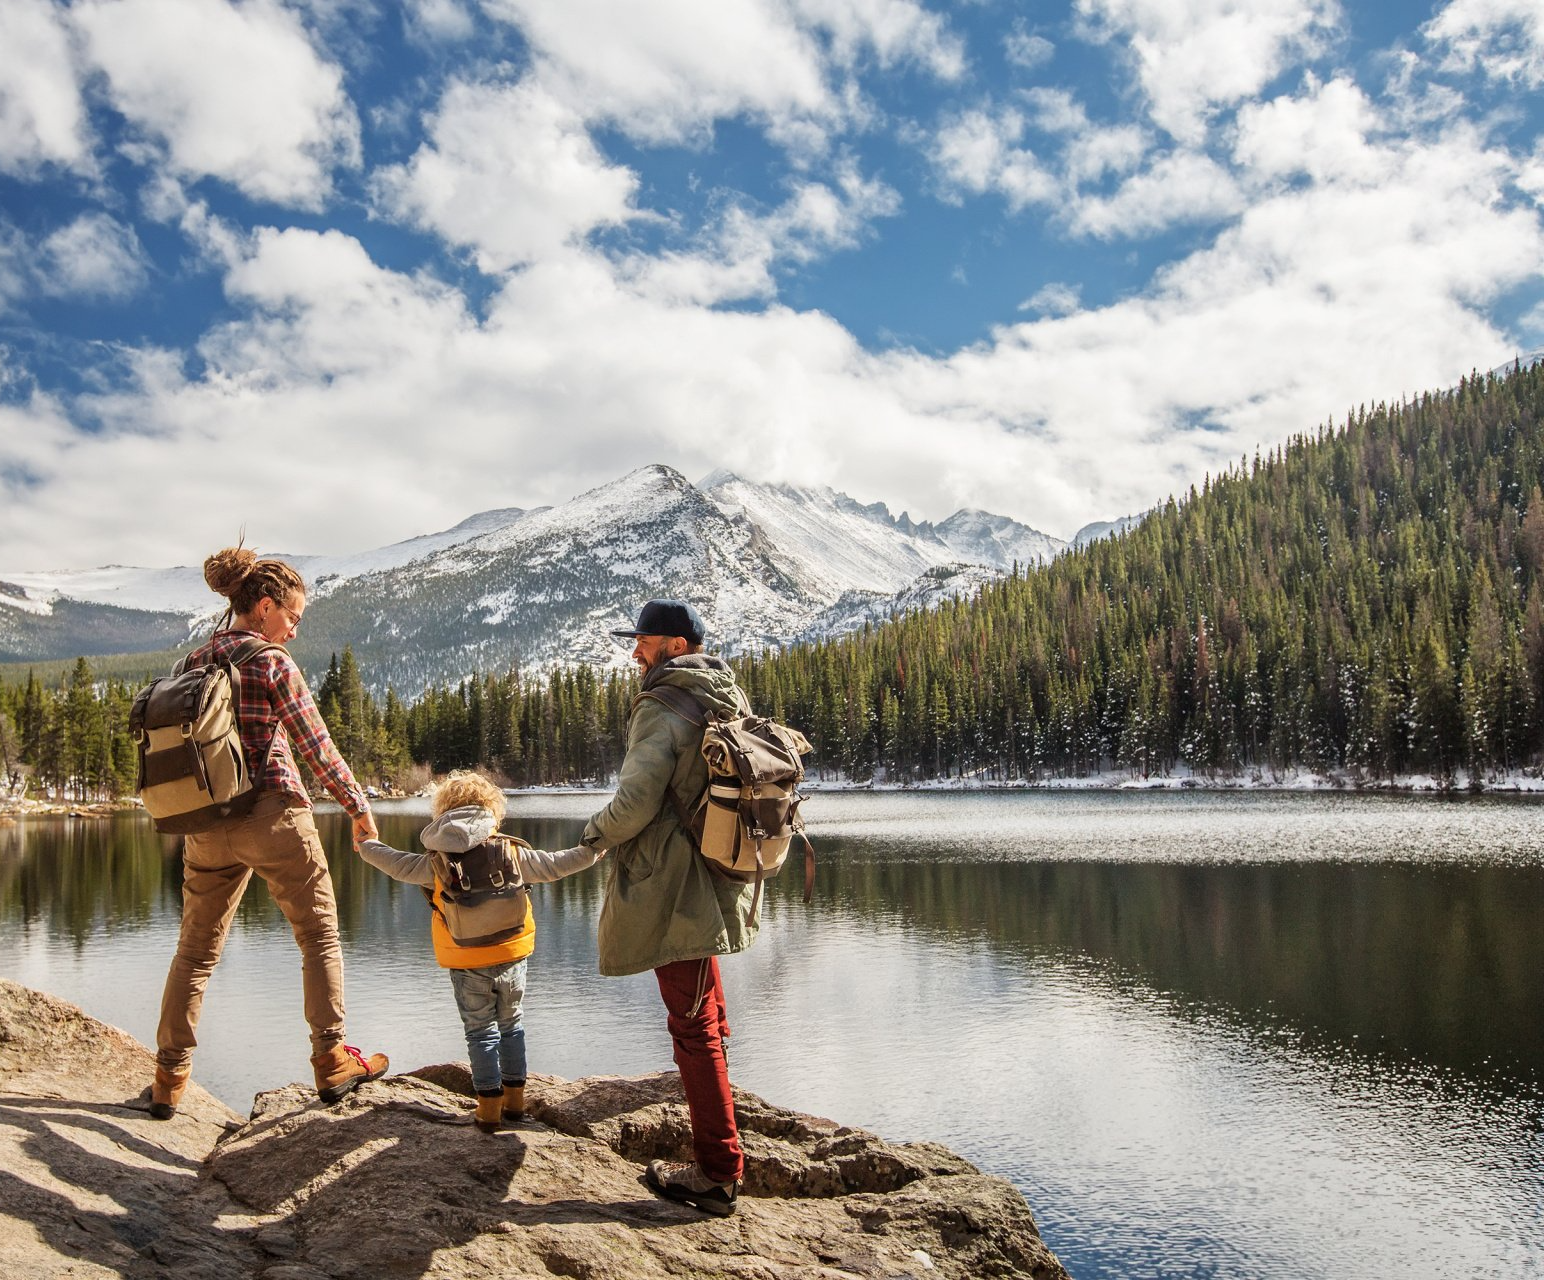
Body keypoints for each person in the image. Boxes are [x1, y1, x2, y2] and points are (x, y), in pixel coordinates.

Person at [149, 546, 388, 1120]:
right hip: (274, 815)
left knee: (195, 952)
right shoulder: (271, 661)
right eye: (292, 617)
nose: (294, 630)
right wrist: (358, 807)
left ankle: (167, 1078)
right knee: (319, 935)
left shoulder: (193, 661)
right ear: (263, 607)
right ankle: (332, 1059)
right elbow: (316, 745)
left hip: (206, 825)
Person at [581, 599, 758, 1217]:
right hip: (718, 874)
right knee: (707, 1011)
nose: (636, 651)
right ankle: (723, 1135)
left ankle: (718, 1172)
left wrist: (592, 835)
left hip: (673, 885)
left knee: (692, 1025)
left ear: (677, 646)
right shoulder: (725, 693)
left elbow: (634, 805)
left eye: (645, 640)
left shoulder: (661, 704)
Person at [355, 770, 602, 1132]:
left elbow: (396, 864)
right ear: (492, 810)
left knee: (480, 1032)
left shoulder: (437, 862)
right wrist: (593, 850)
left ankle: (488, 1109)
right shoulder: (511, 852)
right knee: (512, 1025)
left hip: (466, 959)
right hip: (511, 952)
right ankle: (515, 1104)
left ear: (443, 811)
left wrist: (367, 845)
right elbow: (557, 864)